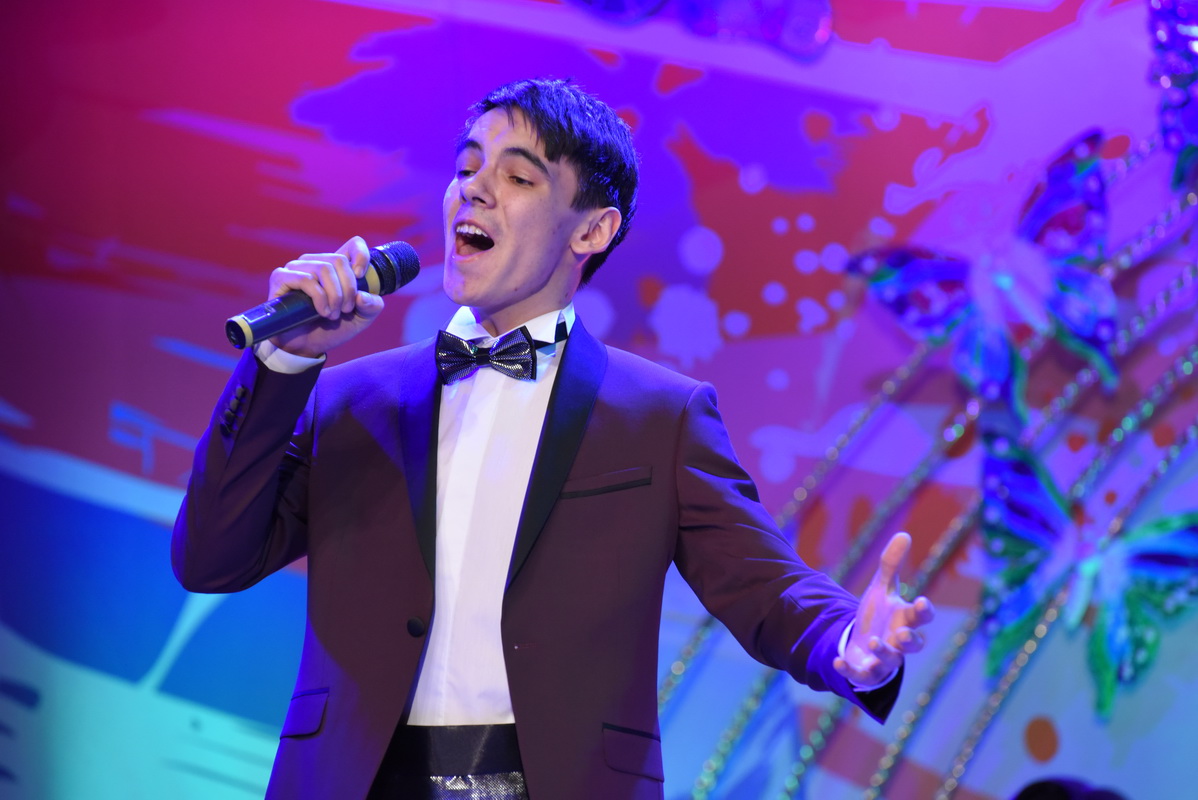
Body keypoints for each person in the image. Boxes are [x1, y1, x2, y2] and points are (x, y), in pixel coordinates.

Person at [172, 78, 934, 800]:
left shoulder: (659, 416)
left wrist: (850, 643)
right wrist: (283, 360)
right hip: (354, 778)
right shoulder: (350, 397)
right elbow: (211, 558)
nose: (474, 189)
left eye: (517, 177)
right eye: (466, 168)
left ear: (593, 230)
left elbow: (762, 582)